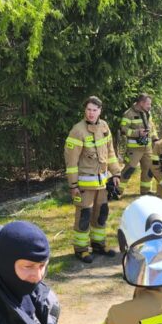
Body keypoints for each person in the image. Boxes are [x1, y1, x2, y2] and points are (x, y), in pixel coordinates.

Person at [64, 96, 122, 263]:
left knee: (101, 213)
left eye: (94, 110)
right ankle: (81, 249)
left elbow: (110, 152)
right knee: (84, 216)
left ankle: (98, 245)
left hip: (102, 185)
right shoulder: (77, 131)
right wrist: (73, 185)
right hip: (84, 186)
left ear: (100, 111)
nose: (91, 113)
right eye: (88, 109)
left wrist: (116, 173)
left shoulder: (104, 127)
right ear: (85, 110)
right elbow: (71, 161)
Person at [120, 93, 158, 195]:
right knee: (129, 170)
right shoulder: (129, 114)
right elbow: (123, 129)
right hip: (134, 149)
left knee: (149, 169)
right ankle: (117, 191)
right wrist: (137, 133)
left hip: (147, 148)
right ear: (141, 103)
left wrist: (155, 139)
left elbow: (152, 127)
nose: (150, 106)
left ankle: (145, 191)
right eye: (148, 104)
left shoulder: (148, 113)